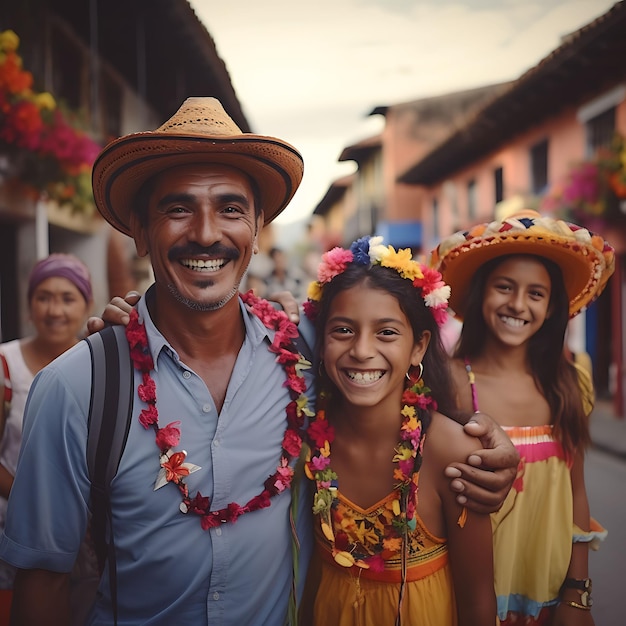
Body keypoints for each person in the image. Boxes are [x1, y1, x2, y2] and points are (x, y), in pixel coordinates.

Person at [0, 96, 516, 626]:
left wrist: (489, 444)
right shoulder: (76, 387)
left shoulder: (312, 350)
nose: (206, 232)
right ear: (138, 229)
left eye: (230, 209)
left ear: (257, 228)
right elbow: (42, 583)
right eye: (178, 208)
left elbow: (406, 377)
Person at [430, 209, 614, 625]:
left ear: (552, 308)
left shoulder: (571, 383)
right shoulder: (453, 382)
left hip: (548, 597)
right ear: (481, 294)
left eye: (536, 293)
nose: (517, 304)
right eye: (504, 287)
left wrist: (577, 596)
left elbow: (576, 493)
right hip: (467, 598)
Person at [299, 236, 496, 625]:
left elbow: (478, 603)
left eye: (386, 332)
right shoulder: (306, 439)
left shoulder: (451, 452)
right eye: (343, 331)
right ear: (320, 343)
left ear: (419, 347)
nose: (361, 350)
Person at [0, 254, 93, 624]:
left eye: (67, 298)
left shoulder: (100, 364)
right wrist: (40, 501)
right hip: (14, 538)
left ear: (87, 304)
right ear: (29, 305)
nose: (55, 310)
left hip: (88, 544)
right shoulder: (6, 365)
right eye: (44, 297)